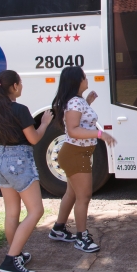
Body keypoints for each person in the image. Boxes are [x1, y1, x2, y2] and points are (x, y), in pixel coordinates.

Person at [0, 70, 53, 272]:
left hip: (1, 162)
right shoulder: (21, 110)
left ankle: (16, 253)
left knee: (12, 212)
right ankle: (11, 260)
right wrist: (45, 123)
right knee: (36, 211)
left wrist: (5, 144)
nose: (21, 86)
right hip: (20, 162)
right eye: (20, 83)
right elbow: (33, 139)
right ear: (14, 86)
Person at [49, 66, 117, 253]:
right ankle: (82, 237)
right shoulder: (74, 103)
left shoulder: (77, 101)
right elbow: (73, 130)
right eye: (84, 77)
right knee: (84, 196)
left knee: (72, 194)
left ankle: (59, 229)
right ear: (77, 81)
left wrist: (88, 101)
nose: (87, 80)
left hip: (78, 154)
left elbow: (80, 120)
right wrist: (100, 134)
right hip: (75, 155)